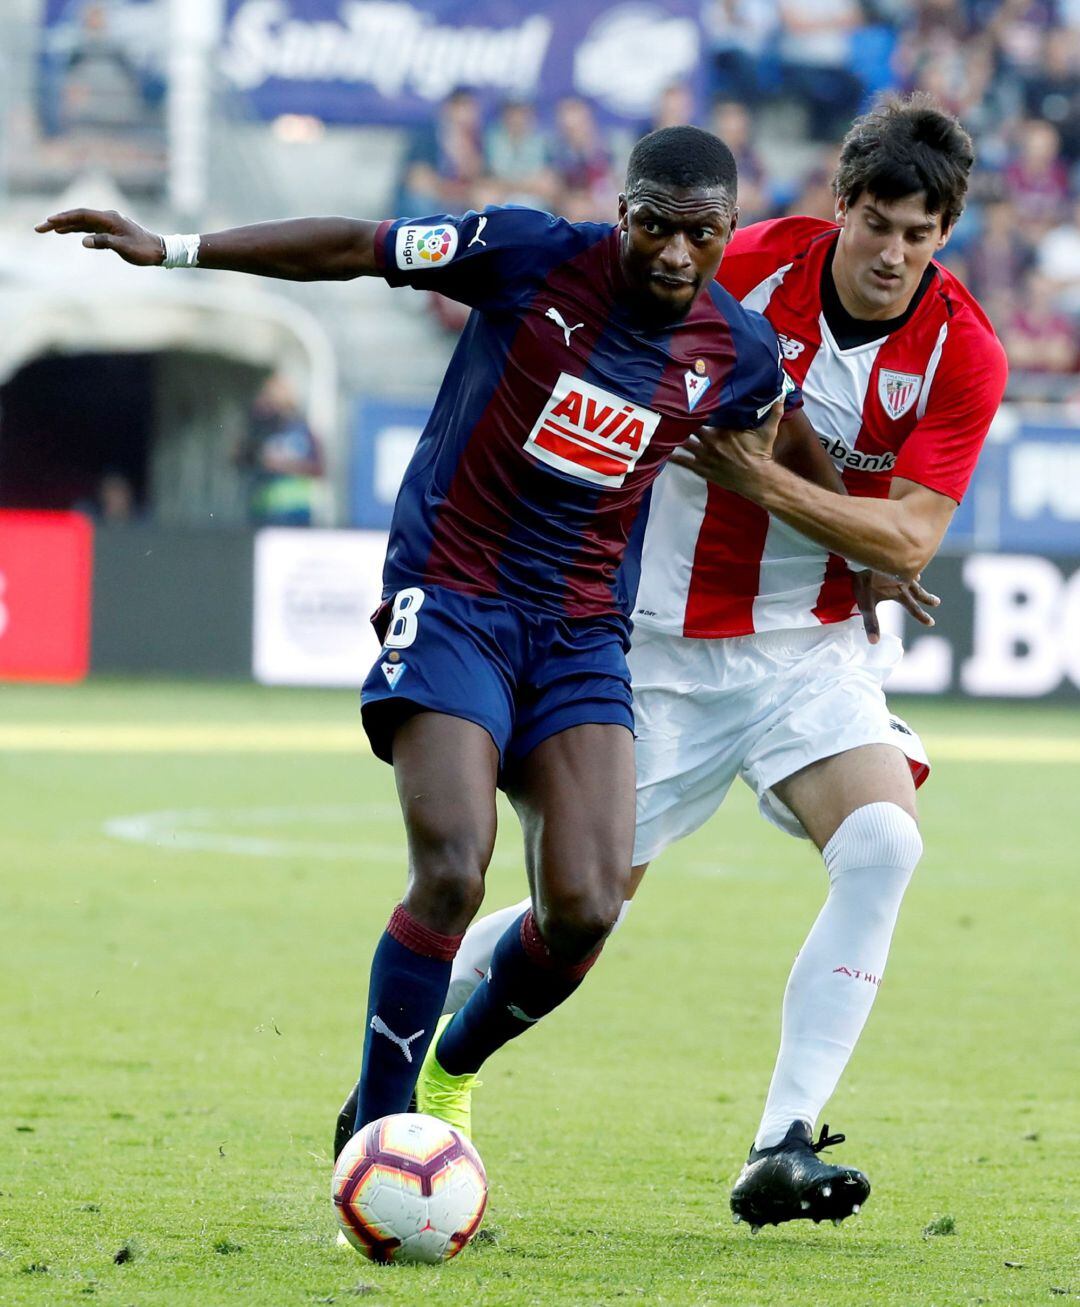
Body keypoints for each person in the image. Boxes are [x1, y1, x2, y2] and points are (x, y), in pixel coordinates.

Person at [37, 126, 805, 1163]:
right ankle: (383, 1131)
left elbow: (778, 435)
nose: (675, 253)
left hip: (582, 636)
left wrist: (869, 548)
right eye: (656, 226)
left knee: (586, 906)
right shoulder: (531, 253)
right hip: (455, 597)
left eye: (700, 234)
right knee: (452, 866)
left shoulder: (738, 352)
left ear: (727, 232)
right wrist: (175, 248)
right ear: (623, 211)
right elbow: (357, 242)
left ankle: (448, 1064)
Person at [430, 95, 1008, 1230]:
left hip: (808, 651)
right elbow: (593, 327)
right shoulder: (739, 264)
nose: (894, 253)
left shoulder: (966, 350)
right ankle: (430, 1046)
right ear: (839, 206)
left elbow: (908, 536)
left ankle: (782, 1140)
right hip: (651, 646)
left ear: (946, 236)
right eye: (878, 222)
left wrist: (776, 490)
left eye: (920, 233)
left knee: (886, 839)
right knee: (574, 921)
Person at [234, 373, 324, 526]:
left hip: (296, 512)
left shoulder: (303, 431)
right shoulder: (259, 430)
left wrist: (281, 465)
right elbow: (238, 458)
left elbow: (318, 468)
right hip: (263, 510)